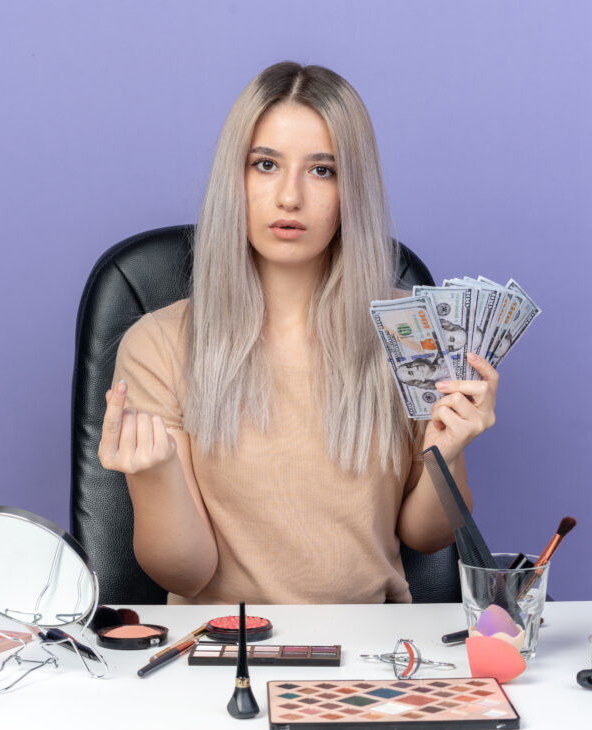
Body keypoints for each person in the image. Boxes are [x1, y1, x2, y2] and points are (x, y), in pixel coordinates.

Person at [98, 62, 499, 604]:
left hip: (371, 641)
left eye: (323, 170)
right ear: (234, 178)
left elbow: (427, 536)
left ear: (353, 190)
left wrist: (447, 455)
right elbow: (185, 576)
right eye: (265, 164)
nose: (290, 197)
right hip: (225, 643)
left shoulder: (411, 331)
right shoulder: (159, 343)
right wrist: (157, 475)